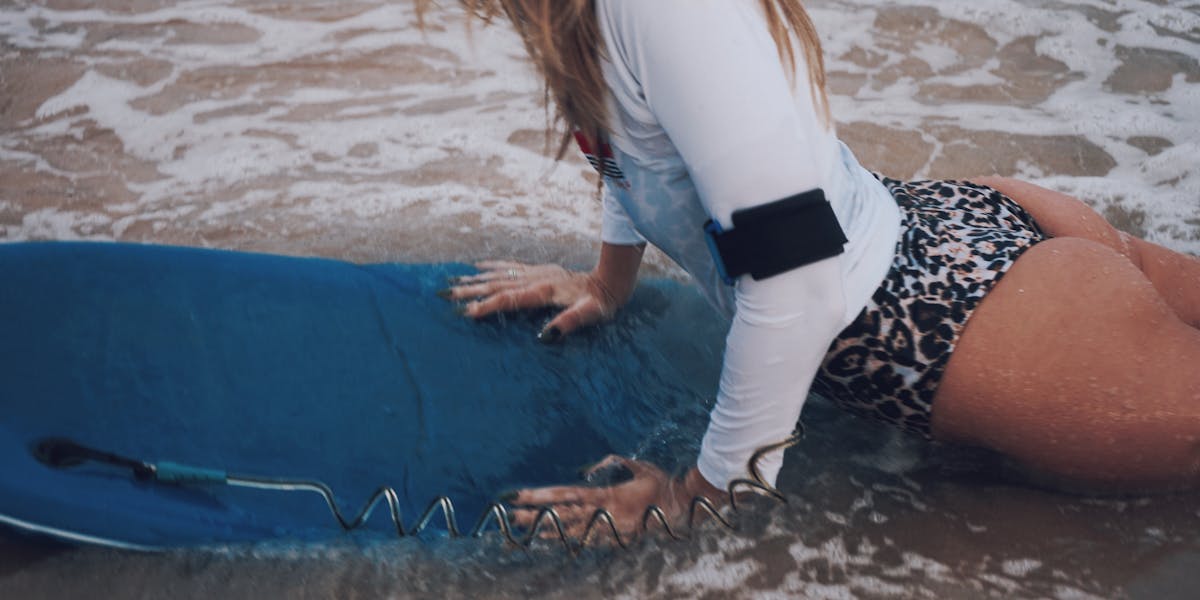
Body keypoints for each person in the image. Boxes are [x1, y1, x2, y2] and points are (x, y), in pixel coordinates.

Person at [427, 0, 1200, 536]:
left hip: (944, 328)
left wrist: (698, 496)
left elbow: (796, 278)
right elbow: (645, 150)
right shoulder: (583, 14)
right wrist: (608, 282)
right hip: (950, 244)